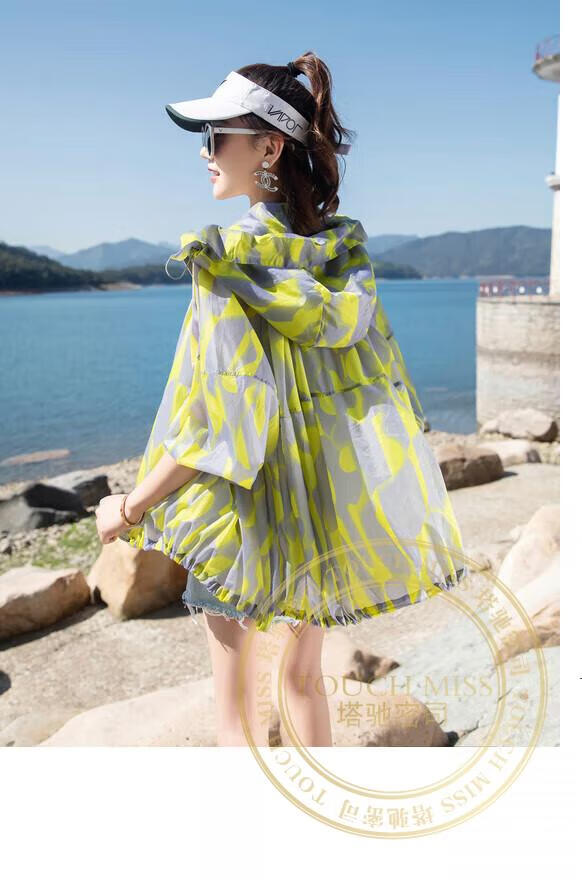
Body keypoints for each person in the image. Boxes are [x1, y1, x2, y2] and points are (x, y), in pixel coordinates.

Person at [95, 52, 469, 749]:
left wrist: (129, 507)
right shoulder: (341, 260)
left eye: (216, 137)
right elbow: (376, 399)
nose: (204, 153)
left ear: (269, 148)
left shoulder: (227, 261)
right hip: (318, 516)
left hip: (238, 523)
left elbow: (222, 428)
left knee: (235, 714)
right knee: (302, 682)